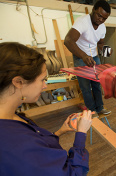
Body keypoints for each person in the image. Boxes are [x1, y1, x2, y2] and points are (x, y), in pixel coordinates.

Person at [0, 42, 92, 176]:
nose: (45, 85)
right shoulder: (16, 144)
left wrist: (59, 132)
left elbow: (38, 147)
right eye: (42, 80)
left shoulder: (11, 116)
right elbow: (73, 173)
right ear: (18, 82)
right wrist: (81, 134)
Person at [64, 0, 111, 118]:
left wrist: (105, 49)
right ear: (93, 10)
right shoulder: (82, 22)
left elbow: (100, 42)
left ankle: (100, 108)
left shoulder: (102, 27)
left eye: (104, 18)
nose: (101, 20)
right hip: (80, 56)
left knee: (96, 83)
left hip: (94, 56)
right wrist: (83, 56)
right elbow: (68, 40)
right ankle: (91, 111)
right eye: (99, 15)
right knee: (85, 86)